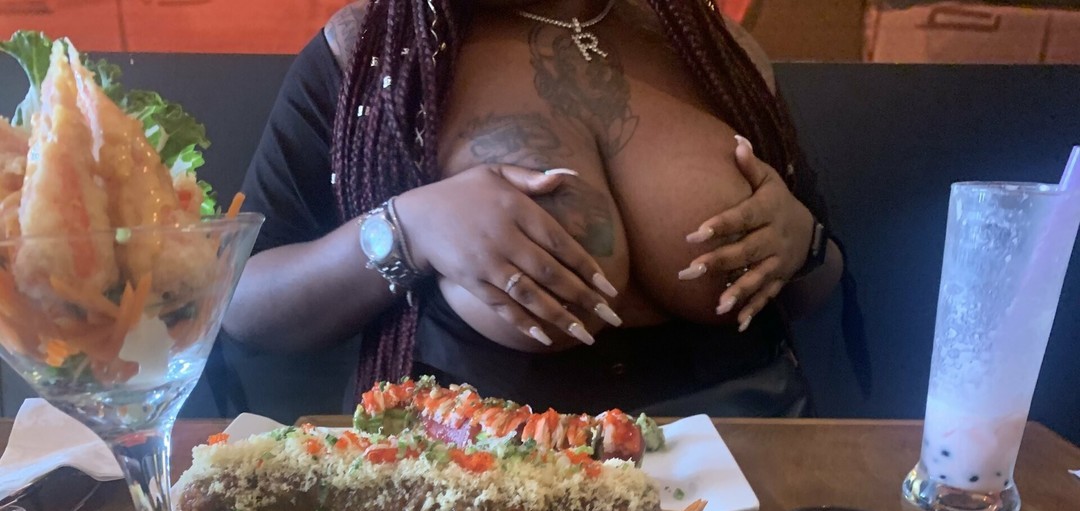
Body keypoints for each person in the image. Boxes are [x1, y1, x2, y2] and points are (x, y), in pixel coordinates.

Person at [224, 0, 847, 416]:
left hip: (745, 467)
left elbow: (818, 285)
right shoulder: (371, 50)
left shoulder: (713, 49)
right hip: (480, 482)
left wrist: (803, 243)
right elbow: (242, 301)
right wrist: (407, 229)